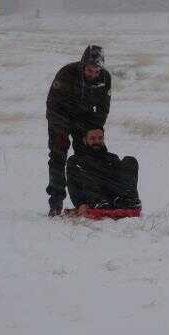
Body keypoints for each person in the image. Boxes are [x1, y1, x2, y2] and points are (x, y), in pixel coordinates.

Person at [46, 45, 112, 216]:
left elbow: (104, 108)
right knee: (58, 157)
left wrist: (96, 129)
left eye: (96, 71)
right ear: (83, 65)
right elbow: (52, 105)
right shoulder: (66, 73)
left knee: (89, 158)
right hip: (60, 118)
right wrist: (62, 131)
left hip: (86, 121)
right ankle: (56, 200)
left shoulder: (105, 78)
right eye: (90, 70)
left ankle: (90, 200)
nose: (93, 74)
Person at [66, 127, 141, 216]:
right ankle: (100, 202)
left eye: (100, 138)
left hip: (115, 196)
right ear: (85, 140)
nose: (97, 141)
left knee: (130, 160)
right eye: (92, 138)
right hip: (95, 196)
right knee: (85, 169)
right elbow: (72, 184)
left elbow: (124, 178)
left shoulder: (112, 158)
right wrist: (80, 204)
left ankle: (129, 199)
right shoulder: (76, 160)